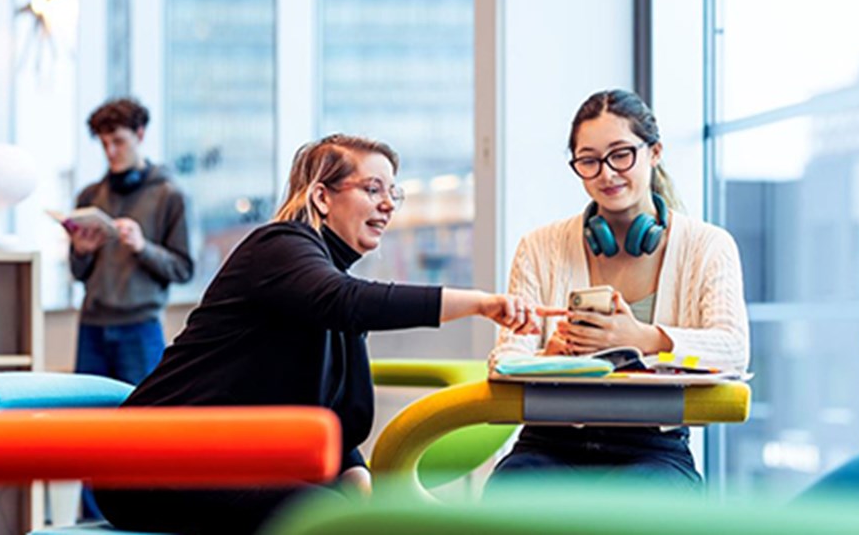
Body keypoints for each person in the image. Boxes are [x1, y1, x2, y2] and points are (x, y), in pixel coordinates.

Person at [94, 134, 548, 535]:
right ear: (321, 197)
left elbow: (332, 418)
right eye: (373, 189)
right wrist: (481, 303)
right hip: (149, 465)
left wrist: (370, 496)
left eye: (394, 192)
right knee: (322, 516)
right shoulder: (278, 247)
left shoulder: (322, 282)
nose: (388, 204)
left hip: (222, 461)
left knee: (353, 513)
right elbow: (347, 300)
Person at [487, 89, 750, 490]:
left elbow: (732, 348)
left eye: (621, 154)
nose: (606, 174)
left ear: (655, 152)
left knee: (651, 500)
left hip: (652, 447)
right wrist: (549, 356)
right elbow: (505, 357)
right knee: (512, 491)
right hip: (549, 441)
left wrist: (645, 338)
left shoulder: (708, 246)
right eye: (589, 161)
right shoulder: (539, 246)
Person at [69, 98, 193, 386]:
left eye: (118, 142)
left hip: (141, 328)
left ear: (140, 135)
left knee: (142, 422)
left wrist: (142, 247)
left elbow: (184, 269)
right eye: (103, 144)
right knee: (85, 424)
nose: (110, 152)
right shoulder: (89, 197)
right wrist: (81, 253)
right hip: (92, 326)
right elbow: (78, 273)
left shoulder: (170, 196)